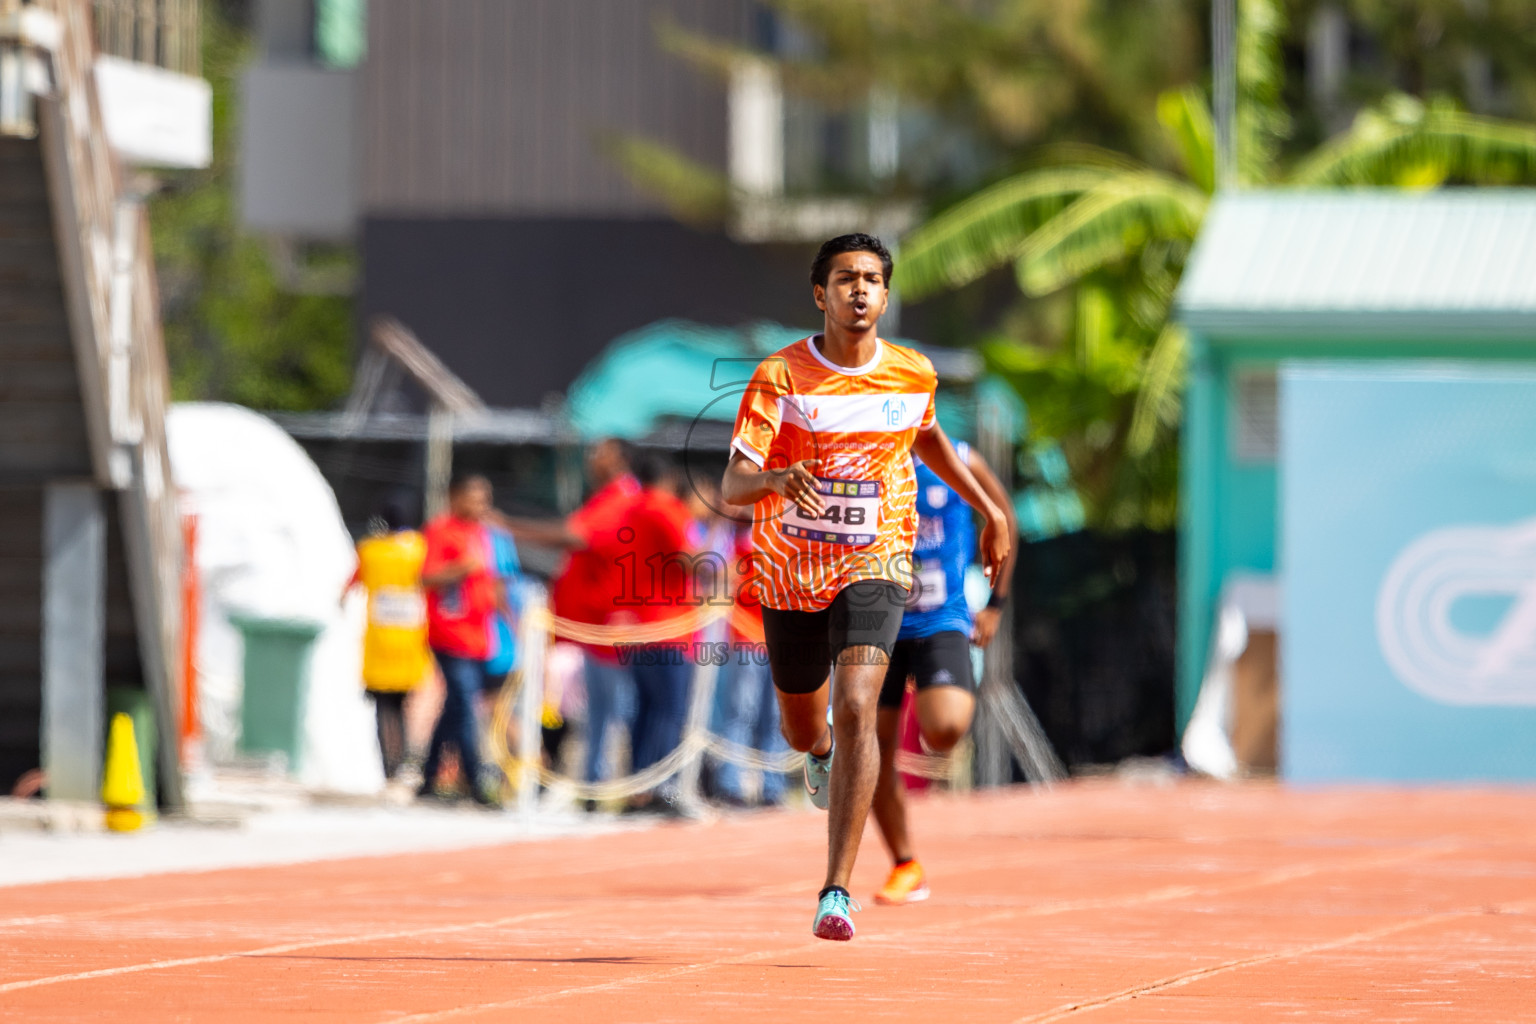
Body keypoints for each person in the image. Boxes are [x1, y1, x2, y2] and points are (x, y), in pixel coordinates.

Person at [721, 233, 1011, 941]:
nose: (859, 291)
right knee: (805, 724)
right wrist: (771, 479)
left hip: (877, 563)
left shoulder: (911, 373)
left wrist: (987, 507)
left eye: (872, 280)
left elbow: (928, 438)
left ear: (885, 296)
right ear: (820, 295)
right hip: (790, 573)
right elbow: (732, 484)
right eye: (845, 279)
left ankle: (835, 891)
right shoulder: (780, 377)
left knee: (858, 706)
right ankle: (817, 754)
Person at [870, 441, 1018, 905]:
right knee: (870, 751)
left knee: (947, 727)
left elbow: (1005, 520)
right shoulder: (864, 458)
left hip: (941, 619)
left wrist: (995, 604)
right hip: (878, 623)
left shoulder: (961, 459)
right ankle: (904, 863)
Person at [499, 439, 640, 796]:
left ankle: (598, 785)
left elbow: (574, 536)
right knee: (569, 708)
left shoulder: (621, 499)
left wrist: (509, 527)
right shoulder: (602, 498)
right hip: (579, 630)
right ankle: (580, 781)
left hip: (599, 632)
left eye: (601, 452)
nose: (593, 459)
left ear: (621, 459)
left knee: (599, 713)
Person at [417, 474, 504, 807]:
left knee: (456, 706)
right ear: (455, 497)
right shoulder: (441, 530)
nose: (482, 504)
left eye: (486, 497)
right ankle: (477, 778)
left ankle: (428, 776)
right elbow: (425, 577)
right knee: (466, 704)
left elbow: (490, 581)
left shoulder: (481, 534)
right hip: (449, 634)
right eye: (475, 497)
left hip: (478, 635)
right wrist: (459, 569)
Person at [618, 452, 698, 813]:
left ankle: (638, 786)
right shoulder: (667, 508)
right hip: (669, 624)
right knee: (669, 710)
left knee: (646, 709)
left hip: (640, 620)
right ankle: (656, 788)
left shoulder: (631, 508)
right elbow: (687, 557)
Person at [342, 501, 429, 780]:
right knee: (403, 705)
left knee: (382, 707)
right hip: (410, 642)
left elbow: (349, 587)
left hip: (378, 642)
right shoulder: (419, 550)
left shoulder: (370, 550)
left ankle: (387, 766)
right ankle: (405, 760)